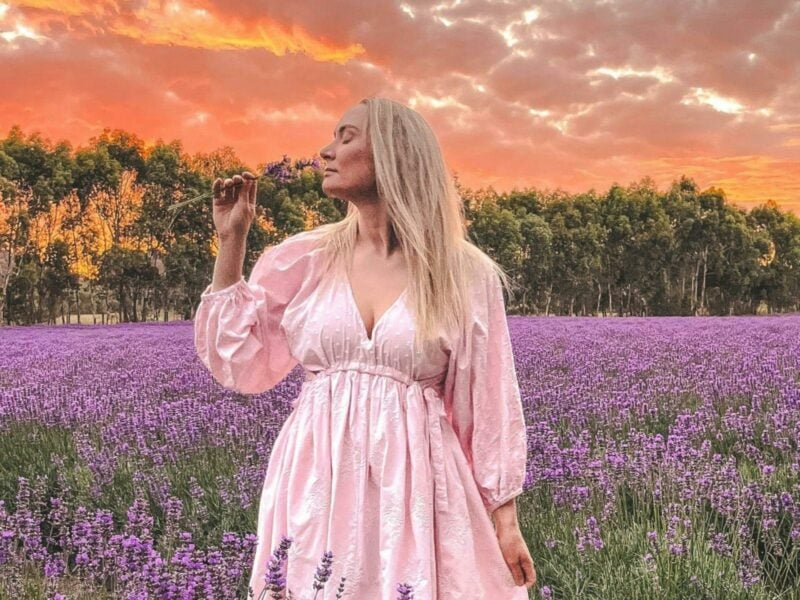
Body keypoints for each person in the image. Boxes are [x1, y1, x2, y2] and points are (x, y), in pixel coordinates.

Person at [194, 96, 536, 599]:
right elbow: (239, 364)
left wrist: (504, 518)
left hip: (418, 484)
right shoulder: (303, 258)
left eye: (346, 137)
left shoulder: (463, 272)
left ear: (395, 154)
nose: (326, 151)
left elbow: (489, 400)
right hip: (317, 476)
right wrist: (231, 243)